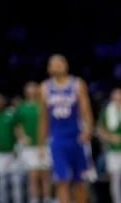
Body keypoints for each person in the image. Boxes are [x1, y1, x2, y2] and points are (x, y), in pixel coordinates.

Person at [37, 56, 93, 203]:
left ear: (66, 65)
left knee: (80, 181)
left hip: (76, 137)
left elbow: (86, 110)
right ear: (48, 68)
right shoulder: (44, 87)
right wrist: (41, 144)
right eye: (52, 64)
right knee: (61, 180)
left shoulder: (77, 84)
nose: (55, 66)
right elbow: (43, 118)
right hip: (57, 139)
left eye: (58, 63)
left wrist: (88, 130)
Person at [13, 82, 51, 203]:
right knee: (33, 175)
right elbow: (16, 125)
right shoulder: (22, 107)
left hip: (45, 145)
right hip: (30, 147)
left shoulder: (44, 105)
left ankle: (47, 199)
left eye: (34, 87)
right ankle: (34, 200)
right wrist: (22, 137)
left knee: (45, 175)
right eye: (29, 88)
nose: (32, 90)